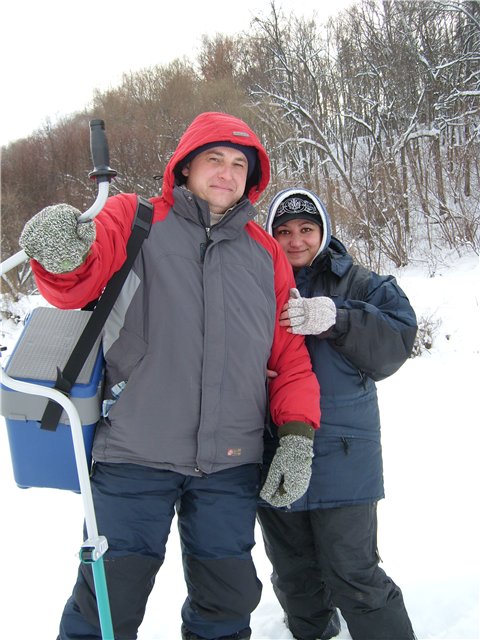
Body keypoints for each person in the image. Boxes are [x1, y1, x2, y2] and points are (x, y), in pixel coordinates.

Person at [18, 114, 321, 640]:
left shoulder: (265, 252)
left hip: (230, 463)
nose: (226, 173)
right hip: (134, 454)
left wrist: (296, 437)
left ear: (251, 179)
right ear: (185, 167)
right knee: (105, 609)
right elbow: (74, 281)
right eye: (214, 160)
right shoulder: (133, 219)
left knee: (226, 606)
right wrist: (60, 255)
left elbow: (290, 357)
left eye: (238, 164)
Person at [258, 188, 418, 640]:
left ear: (323, 232)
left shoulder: (362, 283)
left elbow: (398, 340)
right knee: (295, 579)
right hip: (275, 450)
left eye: (306, 230)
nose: (295, 241)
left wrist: (337, 318)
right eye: (283, 231)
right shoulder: (251, 282)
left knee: (355, 574)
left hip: (345, 455)